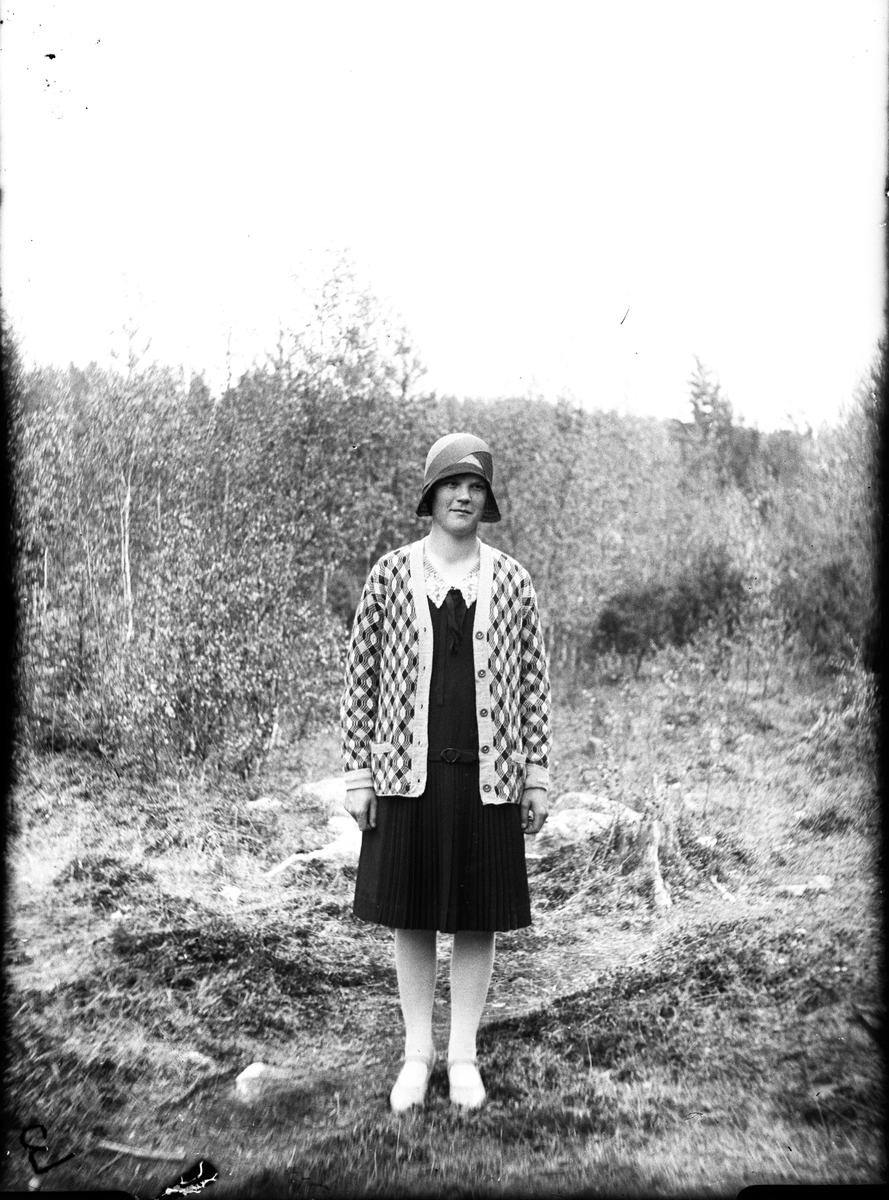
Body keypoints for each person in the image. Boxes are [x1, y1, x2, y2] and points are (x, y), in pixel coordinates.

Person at [340, 432, 551, 1113]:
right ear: (430, 495)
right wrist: (358, 775)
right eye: (451, 484)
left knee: (475, 918)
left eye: (475, 486)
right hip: (406, 776)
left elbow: (534, 683)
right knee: (411, 914)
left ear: (487, 499)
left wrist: (536, 774)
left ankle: (462, 1055)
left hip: (489, 777)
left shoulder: (513, 580)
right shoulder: (389, 575)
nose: (463, 496)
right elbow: (360, 679)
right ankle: (416, 1054)